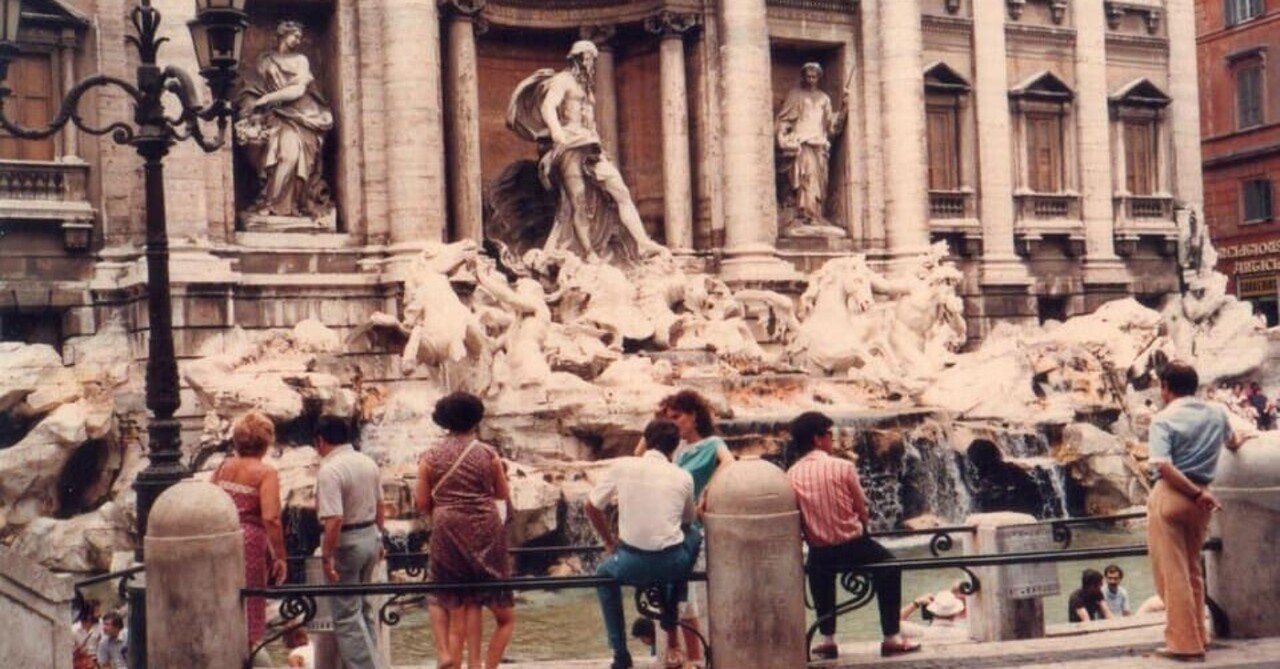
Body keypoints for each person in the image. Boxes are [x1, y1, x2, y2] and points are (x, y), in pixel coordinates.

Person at [507, 40, 664, 264]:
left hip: (590, 145)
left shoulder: (587, 87)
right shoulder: (562, 80)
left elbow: (590, 121)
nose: (592, 63)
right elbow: (547, 106)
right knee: (577, 201)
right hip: (569, 144)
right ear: (577, 58)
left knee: (620, 191)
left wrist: (600, 144)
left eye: (593, 59)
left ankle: (642, 242)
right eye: (588, 58)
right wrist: (557, 132)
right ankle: (589, 252)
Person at [786, 411, 920, 659]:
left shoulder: (791, 475)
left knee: (819, 575)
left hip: (819, 550)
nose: (832, 440)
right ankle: (891, 637)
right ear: (817, 438)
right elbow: (862, 509)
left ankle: (828, 640)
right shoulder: (843, 466)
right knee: (890, 566)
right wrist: (860, 527)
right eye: (828, 434)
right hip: (852, 543)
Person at [587, 419, 701, 669]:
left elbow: (591, 506)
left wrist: (609, 542)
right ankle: (670, 612)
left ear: (646, 441)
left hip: (629, 562)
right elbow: (688, 521)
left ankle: (620, 653)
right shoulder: (683, 476)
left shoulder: (623, 466)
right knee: (693, 535)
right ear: (673, 449)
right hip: (671, 564)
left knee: (602, 577)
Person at [1147, 361, 1242, 661]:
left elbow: (1162, 465)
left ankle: (1183, 645)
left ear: (1165, 388)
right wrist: (1201, 492)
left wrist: (1193, 492)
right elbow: (1234, 441)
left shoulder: (1163, 419)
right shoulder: (1216, 411)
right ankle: (1200, 636)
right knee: (1193, 570)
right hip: (1203, 498)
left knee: (1171, 573)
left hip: (1175, 496)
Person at [416, 392, 516, 669]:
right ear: (476, 419)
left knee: (446, 593)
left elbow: (422, 501)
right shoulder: (487, 453)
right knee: (495, 608)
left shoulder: (429, 456)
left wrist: (446, 511)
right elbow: (501, 493)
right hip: (485, 528)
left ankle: (447, 654)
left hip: (447, 526)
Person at [641, 389, 733, 662]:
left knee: (685, 593)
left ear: (693, 416)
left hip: (692, 529)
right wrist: (656, 422)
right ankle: (692, 656)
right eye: (669, 418)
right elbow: (640, 454)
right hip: (671, 526)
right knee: (685, 596)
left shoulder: (713, 443)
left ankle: (685, 653)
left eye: (677, 416)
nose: (674, 422)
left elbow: (729, 463)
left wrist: (707, 493)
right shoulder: (675, 448)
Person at [238, 20, 334, 218]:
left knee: (291, 158)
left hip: (301, 116)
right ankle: (272, 203)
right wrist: (254, 106)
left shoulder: (301, 60)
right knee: (277, 158)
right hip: (275, 116)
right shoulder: (265, 60)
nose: (298, 40)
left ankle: (280, 205)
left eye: (300, 37)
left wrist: (267, 98)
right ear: (283, 34)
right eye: (295, 35)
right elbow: (254, 87)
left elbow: (298, 90)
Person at [315, 416, 388, 669]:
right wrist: (380, 538)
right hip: (370, 536)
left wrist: (327, 557)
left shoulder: (330, 470)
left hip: (346, 543)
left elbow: (334, 519)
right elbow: (380, 506)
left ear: (320, 441)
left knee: (345, 615)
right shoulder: (367, 462)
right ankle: (376, 662)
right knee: (364, 608)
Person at [211, 411, 289, 647]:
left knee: (224, 601)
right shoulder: (266, 473)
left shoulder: (223, 467)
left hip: (222, 538)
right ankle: (246, 652)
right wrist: (281, 557)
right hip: (250, 543)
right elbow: (271, 517)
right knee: (249, 605)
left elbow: (211, 500)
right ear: (266, 444)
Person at [775, 62, 846, 227]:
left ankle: (816, 213)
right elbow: (784, 119)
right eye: (808, 76)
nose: (811, 79)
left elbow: (832, 126)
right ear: (804, 77)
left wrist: (844, 107)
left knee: (821, 181)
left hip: (820, 144)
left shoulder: (824, 98)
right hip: (804, 142)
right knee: (807, 178)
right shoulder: (795, 95)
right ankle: (807, 214)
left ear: (819, 78)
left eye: (814, 76)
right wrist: (782, 135)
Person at [900, 588, 968, 642]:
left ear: (932, 610)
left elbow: (891, 623)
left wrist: (916, 603)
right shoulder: (965, 633)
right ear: (957, 612)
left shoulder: (919, 632)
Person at [71, 600, 101, 669]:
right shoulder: (74, 630)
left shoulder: (100, 626)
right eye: (96, 611)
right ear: (88, 614)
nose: (99, 614)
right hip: (81, 663)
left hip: (96, 663)